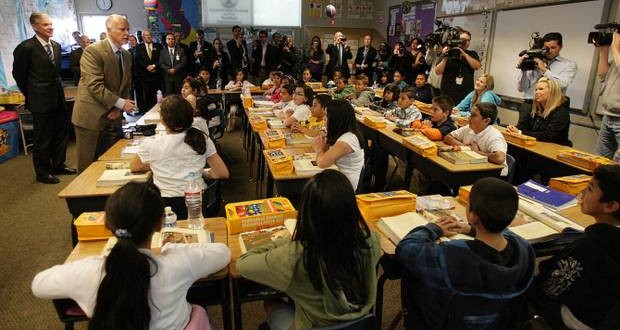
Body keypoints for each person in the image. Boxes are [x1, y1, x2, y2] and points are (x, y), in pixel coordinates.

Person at [31, 181, 231, 329]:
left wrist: (85, 267)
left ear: (107, 223)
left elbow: (38, 285)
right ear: (160, 224)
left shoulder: (88, 271)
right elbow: (223, 253)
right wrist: (174, 250)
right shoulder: (176, 262)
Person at [237, 169, 380, 329]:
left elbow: (243, 264)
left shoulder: (296, 255)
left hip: (310, 325)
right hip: (359, 324)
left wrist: (285, 239)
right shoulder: (370, 241)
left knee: (272, 303)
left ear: (307, 212)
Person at [396, 177, 535, 329]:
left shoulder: (453, 256)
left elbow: (405, 249)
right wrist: (471, 229)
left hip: (443, 322)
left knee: (409, 277)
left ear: (472, 216)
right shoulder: (525, 249)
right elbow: (508, 235)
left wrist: (433, 228)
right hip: (499, 322)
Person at [527, 164, 620, 330]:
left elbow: (551, 288)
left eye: (590, 189)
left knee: (523, 275)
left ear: (610, 206)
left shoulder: (591, 244)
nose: (583, 192)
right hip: (606, 314)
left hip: (581, 319)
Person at [130, 95, 229, 219]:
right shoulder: (201, 137)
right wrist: (203, 172)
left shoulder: (151, 143)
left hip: (165, 205)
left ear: (162, 119)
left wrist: (160, 165)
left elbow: (134, 167)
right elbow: (222, 173)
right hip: (197, 201)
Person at [12, 12, 76, 184]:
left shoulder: (55, 45)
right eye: (45, 25)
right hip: (40, 99)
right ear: (35, 26)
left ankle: (58, 164)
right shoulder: (26, 48)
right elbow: (19, 74)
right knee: (44, 137)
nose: (50, 27)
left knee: (60, 133)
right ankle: (42, 171)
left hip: (58, 96)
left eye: (51, 24)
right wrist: (31, 92)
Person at [71, 14, 134, 173]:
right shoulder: (93, 51)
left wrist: (118, 109)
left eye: (128, 29)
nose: (126, 33)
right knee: (87, 168)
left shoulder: (126, 55)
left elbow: (126, 85)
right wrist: (121, 103)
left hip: (113, 117)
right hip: (90, 118)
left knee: (111, 163)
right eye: (122, 29)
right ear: (109, 30)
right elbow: (94, 86)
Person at [517, 32, 577, 122]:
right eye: (546, 48)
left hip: (552, 108)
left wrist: (544, 70)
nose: (549, 51)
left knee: (544, 135)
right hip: (529, 104)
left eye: (553, 48)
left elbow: (563, 84)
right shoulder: (534, 60)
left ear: (561, 47)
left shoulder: (569, 65)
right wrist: (523, 69)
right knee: (521, 133)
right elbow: (521, 88)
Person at [312, 100, 365, 190]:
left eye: (326, 116)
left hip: (344, 188)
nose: (324, 119)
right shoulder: (341, 133)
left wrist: (319, 149)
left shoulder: (348, 139)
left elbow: (322, 163)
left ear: (336, 119)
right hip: (336, 177)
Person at [444, 103, 508, 176]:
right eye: (470, 114)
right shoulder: (469, 128)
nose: (469, 118)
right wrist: (465, 147)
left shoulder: (494, 135)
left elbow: (499, 158)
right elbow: (448, 137)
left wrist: (475, 152)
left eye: (474, 115)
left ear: (486, 120)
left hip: (493, 176)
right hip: (472, 168)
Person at [507, 77, 571, 146]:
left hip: (552, 150)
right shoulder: (534, 109)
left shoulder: (561, 113)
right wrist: (513, 129)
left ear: (552, 92)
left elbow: (547, 136)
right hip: (535, 146)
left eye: (541, 89)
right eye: (536, 90)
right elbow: (523, 125)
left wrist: (520, 132)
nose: (536, 92)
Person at [435, 29, 481, 104]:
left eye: (468, 40)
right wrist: (445, 56)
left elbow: (477, 66)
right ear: (456, 40)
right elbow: (438, 71)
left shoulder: (472, 54)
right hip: (447, 94)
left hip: (465, 94)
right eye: (463, 40)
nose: (466, 42)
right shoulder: (448, 53)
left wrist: (464, 54)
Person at [595, 31, 620, 159]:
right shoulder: (616, 61)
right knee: (601, 160)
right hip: (608, 116)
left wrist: (615, 49)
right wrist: (603, 50)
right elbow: (602, 76)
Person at [134, 30, 162, 113]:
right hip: (144, 76)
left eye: (149, 35)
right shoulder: (139, 47)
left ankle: (156, 111)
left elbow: (161, 58)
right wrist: (147, 67)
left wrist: (153, 66)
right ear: (143, 37)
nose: (149, 36)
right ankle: (147, 112)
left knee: (155, 95)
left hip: (156, 75)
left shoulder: (158, 46)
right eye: (146, 35)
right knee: (146, 95)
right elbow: (138, 60)